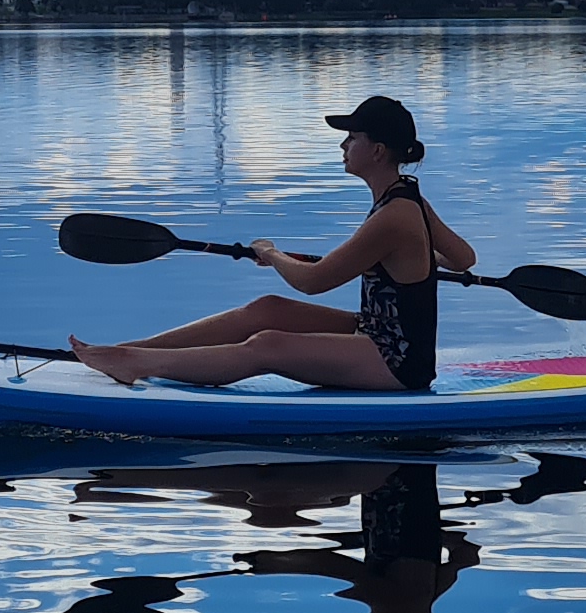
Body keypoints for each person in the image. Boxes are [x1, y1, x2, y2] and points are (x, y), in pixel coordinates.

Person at [70, 96, 471, 392]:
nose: (343, 146)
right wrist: (414, 261)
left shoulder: (393, 216)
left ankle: (133, 363)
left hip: (398, 362)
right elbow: (463, 258)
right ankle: (129, 349)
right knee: (267, 309)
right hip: (373, 331)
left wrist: (274, 254)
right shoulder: (409, 199)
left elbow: (313, 281)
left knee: (268, 345)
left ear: (378, 151)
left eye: (352, 138)